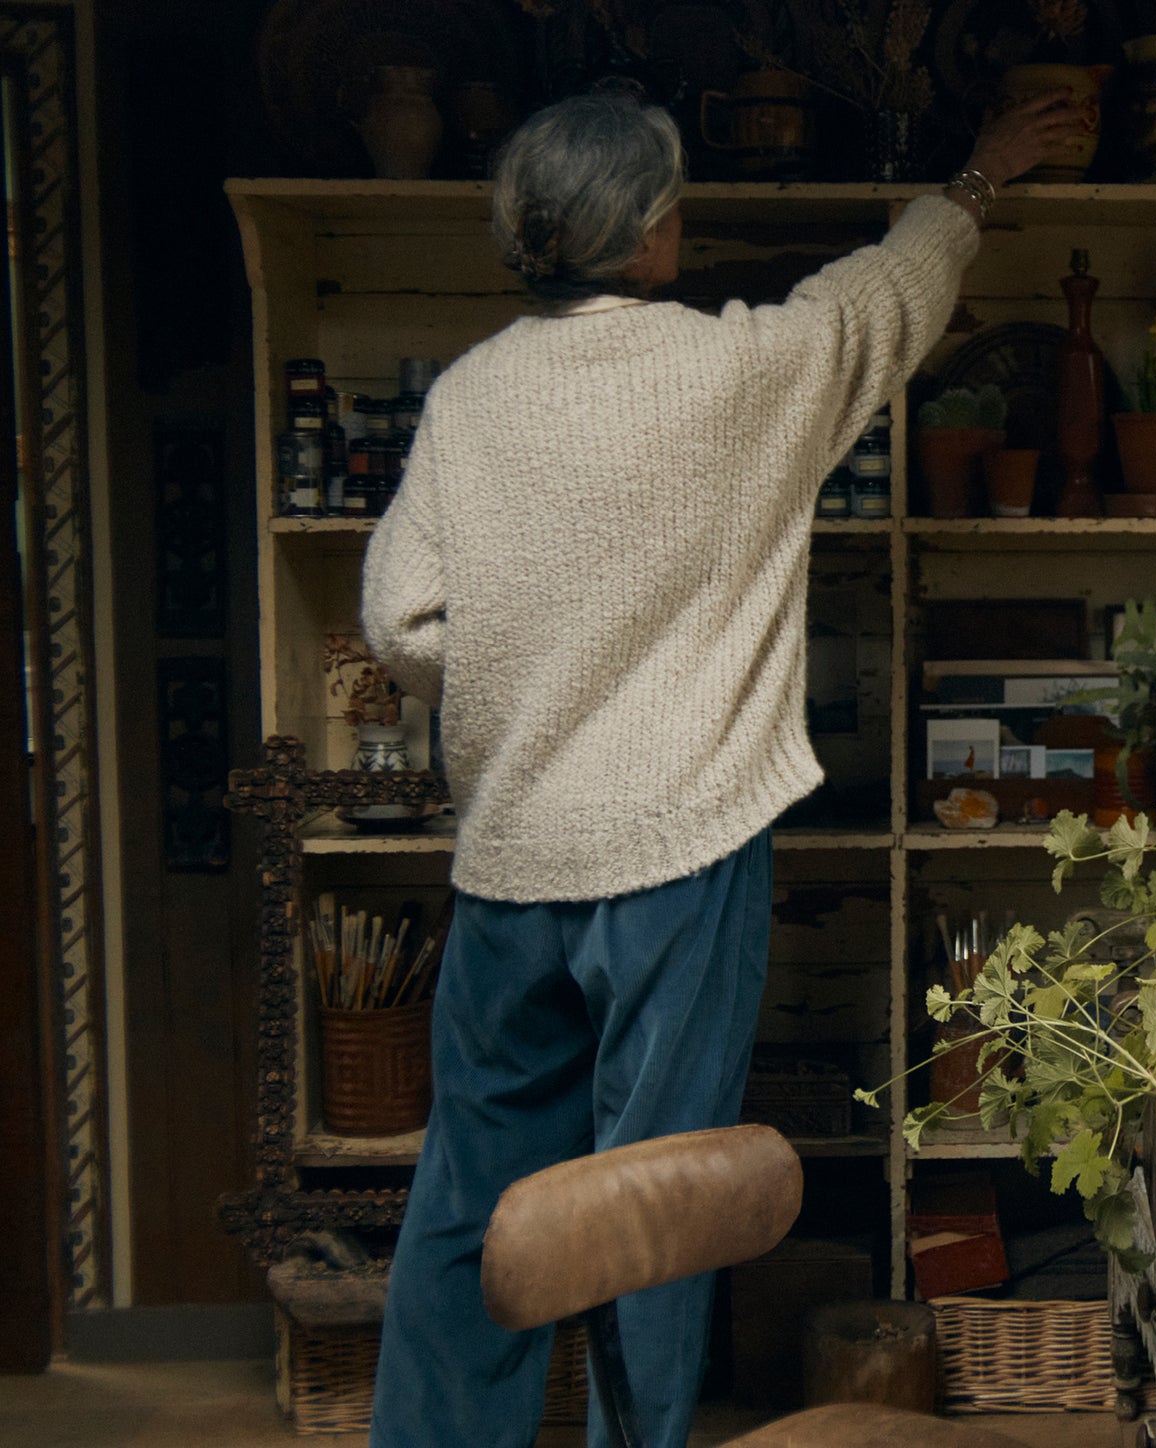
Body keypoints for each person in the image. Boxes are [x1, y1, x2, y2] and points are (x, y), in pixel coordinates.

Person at [360, 89, 1083, 1448]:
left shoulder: (468, 396)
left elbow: (399, 620)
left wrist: (524, 685)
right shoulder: (738, 371)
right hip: (681, 863)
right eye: (672, 201)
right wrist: (978, 178)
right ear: (645, 236)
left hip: (513, 857)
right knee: (655, 1211)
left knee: (473, 1207)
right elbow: (884, 300)